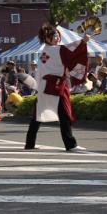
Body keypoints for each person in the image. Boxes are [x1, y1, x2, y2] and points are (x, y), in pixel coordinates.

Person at [25, 23, 89, 152]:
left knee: (37, 115)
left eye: (57, 35)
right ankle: (70, 144)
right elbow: (71, 51)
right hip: (56, 86)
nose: (57, 38)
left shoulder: (44, 50)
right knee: (64, 114)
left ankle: (29, 143)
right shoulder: (56, 50)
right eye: (54, 36)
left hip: (45, 86)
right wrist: (83, 41)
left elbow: (67, 52)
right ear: (46, 38)